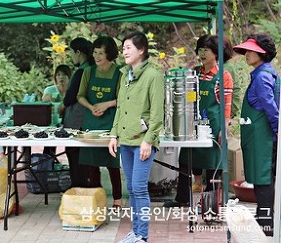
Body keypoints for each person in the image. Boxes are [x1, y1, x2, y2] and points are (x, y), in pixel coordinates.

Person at [164, 35, 234, 208]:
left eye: (206, 50)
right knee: (185, 162)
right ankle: (182, 198)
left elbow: (227, 105)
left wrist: (223, 129)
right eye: (200, 49)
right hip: (192, 125)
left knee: (212, 167)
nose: (202, 53)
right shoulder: (194, 72)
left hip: (213, 126)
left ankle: (211, 206)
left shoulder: (223, 76)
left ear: (217, 53)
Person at [109, 32, 164, 243]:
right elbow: (120, 107)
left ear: (141, 50)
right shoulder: (125, 76)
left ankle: (143, 236)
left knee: (140, 188)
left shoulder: (154, 76)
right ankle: (136, 231)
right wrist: (114, 135)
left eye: (129, 47)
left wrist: (148, 140)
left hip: (143, 142)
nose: (124, 51)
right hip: (126, 141)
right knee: (131, 188)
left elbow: (157, 115)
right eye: (123, 48)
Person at [233, 33, 279, 236]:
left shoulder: (262, 77)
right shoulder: (262, 74)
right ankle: (263, 220)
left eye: (251, 50)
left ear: (263, 53)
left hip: (264, 139)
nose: (247, 54)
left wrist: (277, 133)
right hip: (259, 138)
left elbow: (271, 109)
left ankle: (266, 226)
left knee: (263, 180)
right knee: (263, 180)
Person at [78, 36, 123, 209]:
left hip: (111, 122)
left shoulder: (120, 73)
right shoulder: (88, 72)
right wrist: (91, 107)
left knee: (112, 162)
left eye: (101, 53)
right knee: (91, 162)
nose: (96, 57)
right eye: (95, 53)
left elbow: (123, 99)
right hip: (91, 121)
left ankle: (117, 200)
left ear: (109, 54)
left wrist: (107, 104)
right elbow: (80, 96)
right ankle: (98, 196)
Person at [63, 37, 94, 187]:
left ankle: (77, 187)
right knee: (84, 157)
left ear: (78, 52)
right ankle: (86, 185)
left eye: (71, 53)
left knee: (75, 155)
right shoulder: (92, 69)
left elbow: (69, 98)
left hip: (77, 121)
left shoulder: (81, 71)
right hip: (87, 120)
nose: (71, 57)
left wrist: (62, 103)